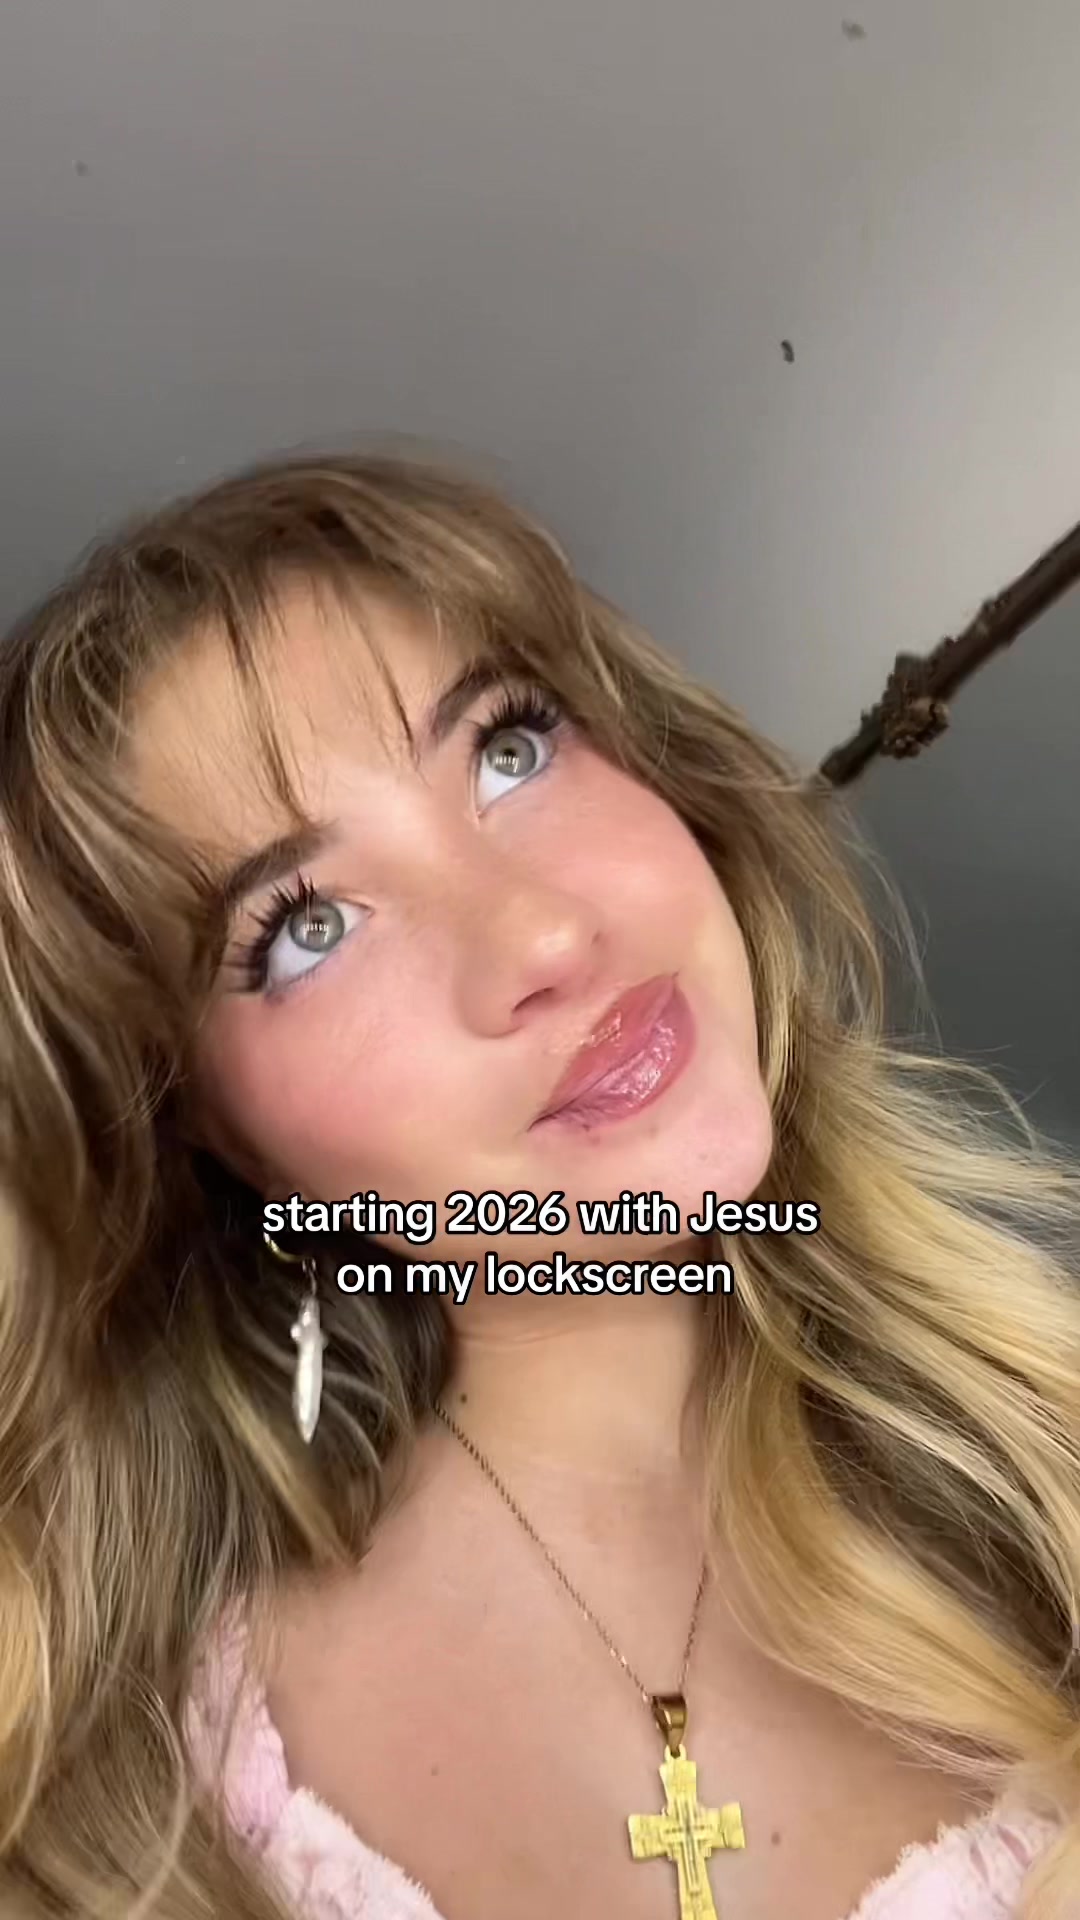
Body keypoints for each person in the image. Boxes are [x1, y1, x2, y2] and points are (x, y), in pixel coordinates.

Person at [0, 448, 1077, 1920]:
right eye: (306, 926)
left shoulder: (1044, 1457)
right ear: (215, 1140)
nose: (542, 940)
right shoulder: (124, 1814)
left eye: (509, 749)